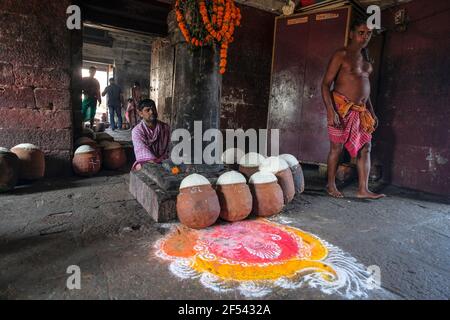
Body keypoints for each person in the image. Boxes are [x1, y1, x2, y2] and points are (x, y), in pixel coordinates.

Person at [321, 19, 385, 199]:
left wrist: (371, 111)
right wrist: (330, 110)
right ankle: (331, 185)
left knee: (366, 147)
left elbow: (366, 89)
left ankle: (363, 190)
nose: (365, 36)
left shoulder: (366, 58)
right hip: (341, 108)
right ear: (351, 34)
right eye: (361, 32)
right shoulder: (341, 54)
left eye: (368, 33)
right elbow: (325, 84)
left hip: (361, 110)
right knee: (337, 147)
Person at [131, 99, 171, 171]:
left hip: (164, 159)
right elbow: (141, 150)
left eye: (153, 109)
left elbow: (171, 147)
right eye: (147, 110)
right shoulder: (137, 131)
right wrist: (156, 163)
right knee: (141, 167)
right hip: (147, 161)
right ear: (140, 113)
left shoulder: (165, 127)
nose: (152, 112)